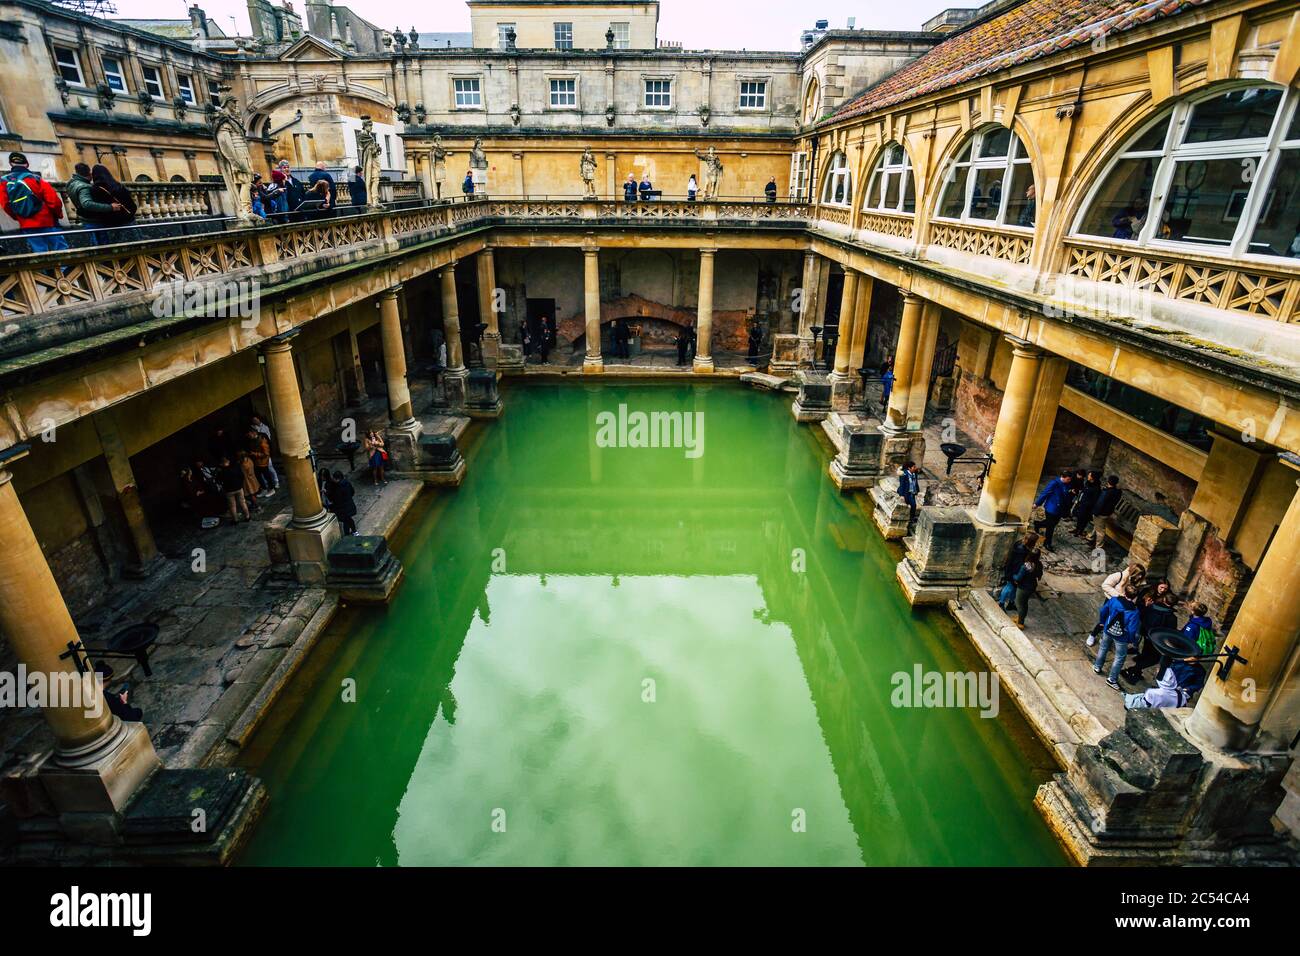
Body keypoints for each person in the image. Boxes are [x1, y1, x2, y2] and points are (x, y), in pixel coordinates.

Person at [2, 152, 68, 252]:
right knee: (61, 251)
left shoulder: (3, 181)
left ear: (11, 164)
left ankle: (47, 268)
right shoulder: (36, 178)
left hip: (26, 223)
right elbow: (54, 201)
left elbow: (6, 205)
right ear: (27, 164)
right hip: (47, 221)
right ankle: (64, 268)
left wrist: (19, 217)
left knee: (40, 253)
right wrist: (58, 215)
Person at [1093, 584, 1141, 690]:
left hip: (1108, 629)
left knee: (1103, 648)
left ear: (1124, 593)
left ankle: (1097, 667)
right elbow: (1133, 629)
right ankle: (1112, 679)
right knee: (1119, 657)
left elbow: (1103, 611)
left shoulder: (1114, 600)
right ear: (1134, 597)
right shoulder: (1134, 611)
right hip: (1122, 637)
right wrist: (1131, 640)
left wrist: (1102, 622)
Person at [1087, 560, 1145, 646]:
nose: (1140, 576)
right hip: (1112, 601)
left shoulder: (1137, 582)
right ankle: (1093, 635)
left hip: (1125, 605)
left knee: (1116, 621)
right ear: (1133, 572)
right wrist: (1118, 595)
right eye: (1139, 574)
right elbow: (1105, 585)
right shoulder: (1119, 576)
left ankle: (1104, 637)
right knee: (1105, 619)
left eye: (1141, 574)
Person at [66, 162, 125, 242]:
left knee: (95, 246)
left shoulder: (72, 183)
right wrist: (110, 207)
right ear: (89, 174)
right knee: (103, 246)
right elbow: (87, 204)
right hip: (93, 221)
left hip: (85, 219)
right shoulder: (84, 187)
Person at [1032, 469, 1074, 550]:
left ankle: (1038, 524)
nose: (1069, 481)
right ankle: (1047, 543)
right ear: (1063, 477)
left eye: (1070, 479)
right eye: (1068, 479)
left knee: (1053, 523)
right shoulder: (1054, 483)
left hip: (1060, 508)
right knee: (1051, 527)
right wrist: (1037, 504)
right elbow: (1045, 493)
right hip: (1051, 508)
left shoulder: (1068, 484)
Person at [996, 531, 1039, 607]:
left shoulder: (1020, 545)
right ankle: (1001, 603)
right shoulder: (1021, 551)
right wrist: (1016, 577)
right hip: (1013, 572)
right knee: (1009, 587)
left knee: (1013, 588)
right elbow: (1017, 564)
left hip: (1014, 571)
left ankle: (1011, 603)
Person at [89, 164, 136, 229]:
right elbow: (131, 203)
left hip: (112, 224)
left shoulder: (95, 189)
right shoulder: (117, 184)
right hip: (129, 219)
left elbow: (98, 209)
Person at [1007, 550, 1044, 628]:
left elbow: (1018, 578)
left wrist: (1012, 575)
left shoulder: (1025, 566)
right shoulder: (1039, 564)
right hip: (1032, 586)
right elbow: (1039, 575)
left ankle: (1020, 623)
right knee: (1024, 603)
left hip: (1023, 588)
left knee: (1019, 604)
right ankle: (1021, 618)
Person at [1088, 474, 1123, 549]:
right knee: (1098, 525)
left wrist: (1095, 512)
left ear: (1108, 482)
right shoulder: (1117, 492)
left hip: (1101, 513)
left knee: (1100, 530)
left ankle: (1098, 546)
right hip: (1108, 512)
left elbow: (1100, 503)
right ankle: (1091, 536)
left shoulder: (1106, 492)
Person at [249, 415, 279, 492]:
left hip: (264, 457)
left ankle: (275, 482)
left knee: (270, 468)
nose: (255, 421)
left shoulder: (264, 431)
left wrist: (255, 454)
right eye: (254, 420)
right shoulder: (253, 429)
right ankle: (267, 486)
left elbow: (266, 448)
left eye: (256, 420)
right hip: (260, 459)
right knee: (262, 473)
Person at [218, 455, 251, 524]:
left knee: (232, 506)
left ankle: (235, 520)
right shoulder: (235, 467)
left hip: (229, 490)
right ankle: (247, 517)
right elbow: (242, 476)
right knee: (243, 502)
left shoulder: (221, 471)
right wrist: (240, 484)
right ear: (228, 461)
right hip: (238, 488)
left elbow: (219, 480)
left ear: (222, 463)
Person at [1071, 470, 1102, 537]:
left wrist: (1086, 504)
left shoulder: (1097, 488)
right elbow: (1083, 491)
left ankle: (1080, 531)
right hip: (1081, 503)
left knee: (1084, 519)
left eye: (1089, 475)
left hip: (1087, 507)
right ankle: (1077, 529)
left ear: (1092, 477)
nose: (1088, 476)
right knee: (1079, 517)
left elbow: (1094, 500)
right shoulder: (1087, 483)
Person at [328, 469, 358, 535]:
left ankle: (348, 534)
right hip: (349, 505)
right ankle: (354, 531)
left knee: (346, 521)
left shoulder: (339, 487)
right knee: (348, 519)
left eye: (334, 478)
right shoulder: (347, 483)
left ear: (337, 479)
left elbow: (337, 498)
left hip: (343, 508)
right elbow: (352, 491)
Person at [897, 460, 921, 534]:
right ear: (909, 468)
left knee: (913, 505)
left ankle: (911, 518)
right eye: (913, 467)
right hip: (906, 493)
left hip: (912, 492)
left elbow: (915, 482)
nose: (915, 468)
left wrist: (917, 490)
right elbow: (902, 485)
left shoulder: (914, 473)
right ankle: (911, 519)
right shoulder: (904, 474)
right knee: (913, 505)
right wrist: (901, 495)